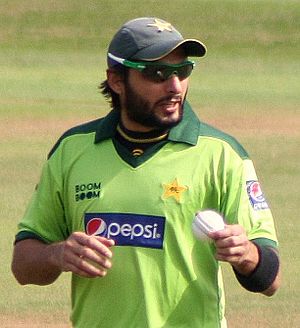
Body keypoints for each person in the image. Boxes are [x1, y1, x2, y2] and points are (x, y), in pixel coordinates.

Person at [11, 17, 280, 328]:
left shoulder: (221, 154)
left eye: (183, 71)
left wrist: (246, 253)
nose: (175, 86)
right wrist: (57, 254)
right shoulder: (72, 151)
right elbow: (23, 265)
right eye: (157, 74)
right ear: (116, 80)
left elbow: (270, 279)